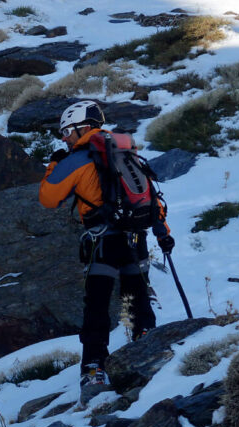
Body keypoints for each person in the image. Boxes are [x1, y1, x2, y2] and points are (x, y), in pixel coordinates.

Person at [38, 100, 174, 396]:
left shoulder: (77, 159)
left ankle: (93, 370)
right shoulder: (125, 152)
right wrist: (163, 233)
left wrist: (54, 163)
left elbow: (48, 198)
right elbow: (151, 197)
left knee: (97, 305)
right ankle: (148, 351)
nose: (64, 138)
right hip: (136, 238)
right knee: (137, 295)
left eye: (67, 131)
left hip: (103, 241)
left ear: (82, 128)